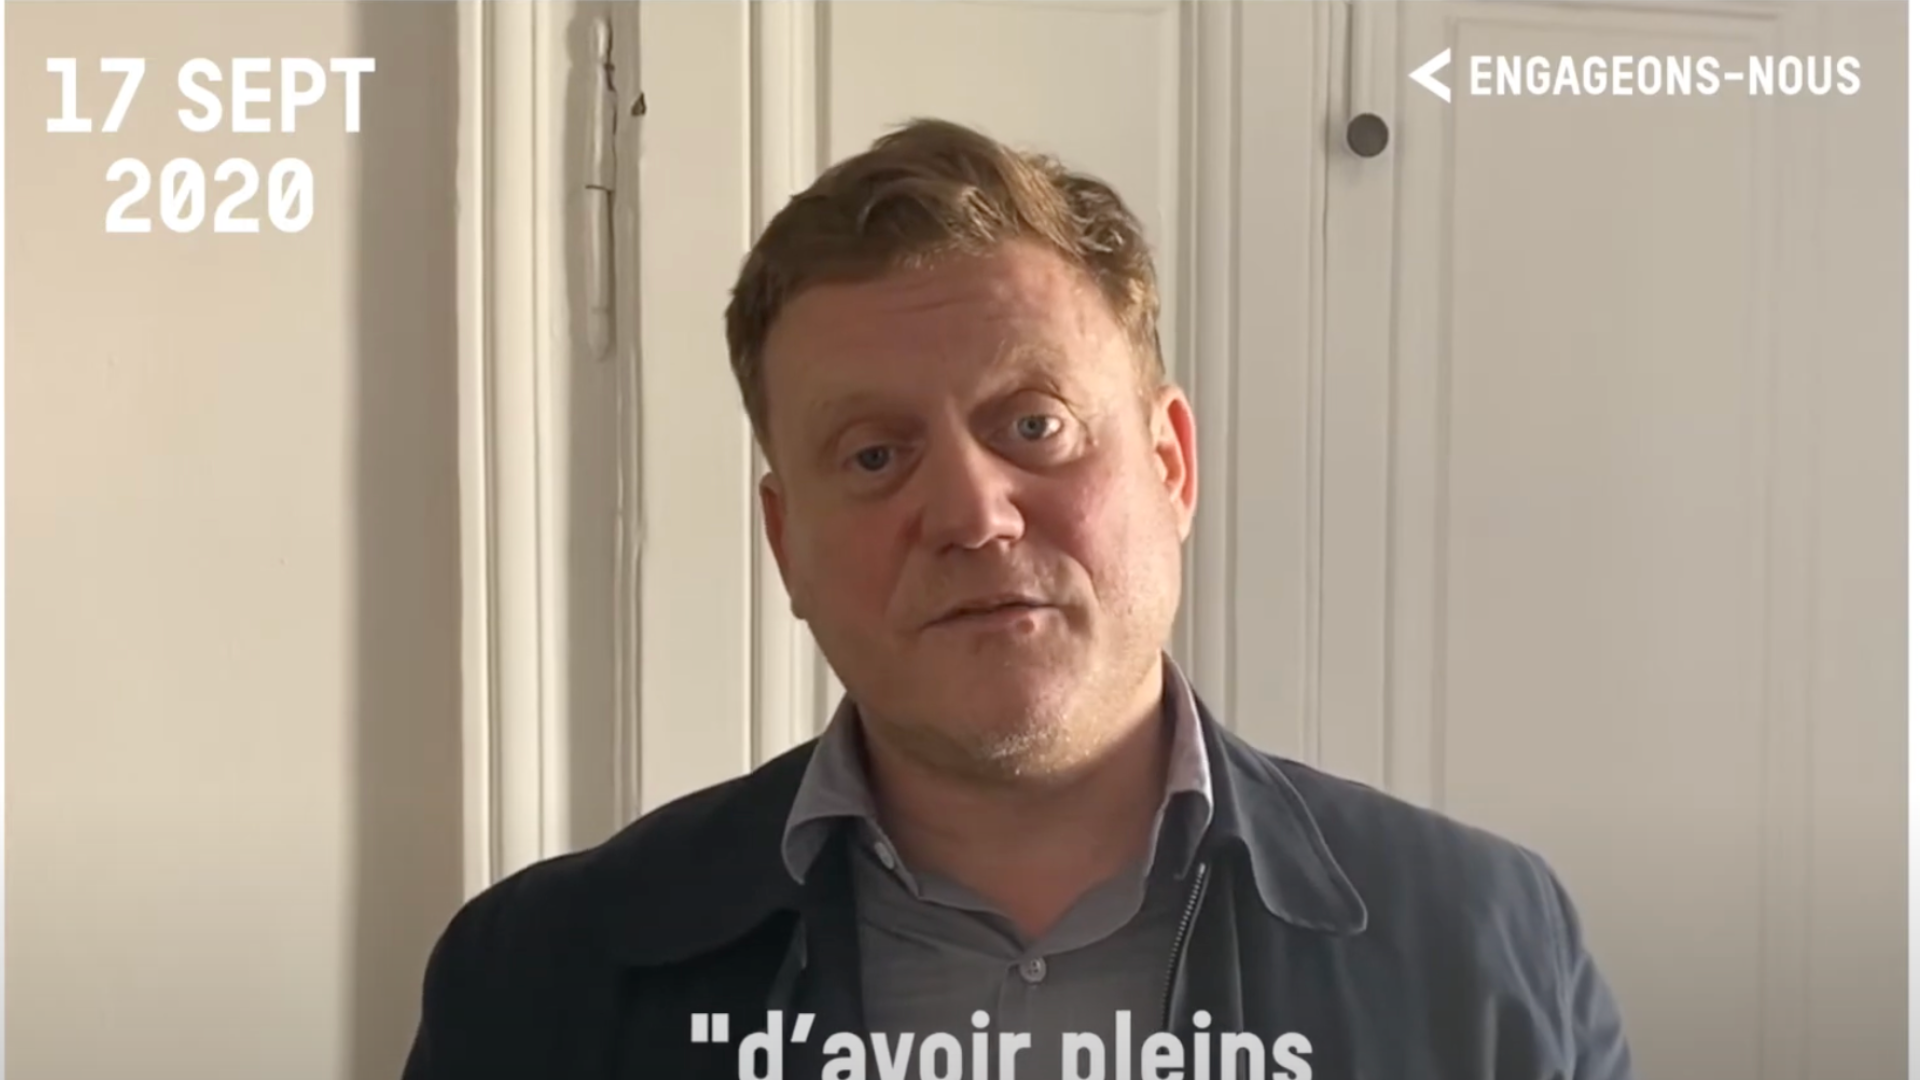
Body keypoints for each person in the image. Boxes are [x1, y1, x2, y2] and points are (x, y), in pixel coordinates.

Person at [401, 118, 1634, 1080]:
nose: (973, 513)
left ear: (1172, 465)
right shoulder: (537, 979)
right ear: (787, 545)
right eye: (874, 455)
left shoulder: (1487, 946)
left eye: (1035, 425)